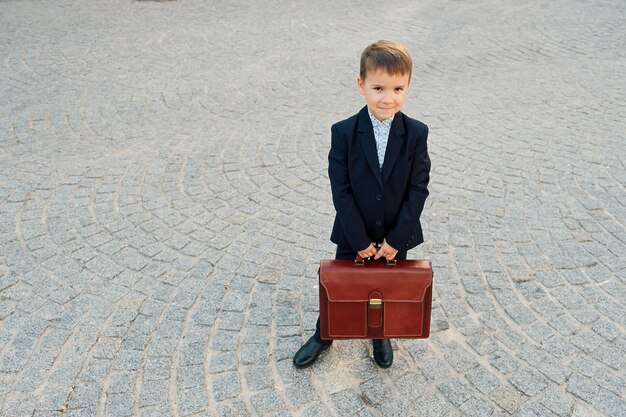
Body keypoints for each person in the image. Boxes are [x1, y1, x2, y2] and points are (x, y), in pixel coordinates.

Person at [293, 40, 431, 369]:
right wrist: (358, 240)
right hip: (353, 231)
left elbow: (418, 188)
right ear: (361, 85)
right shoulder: (344, 132)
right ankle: (325, 333)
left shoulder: (416, 133)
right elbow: (340, 189)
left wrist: (397, 240)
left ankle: (379, 334)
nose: (388, 97)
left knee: (385, 286)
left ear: (408, 85)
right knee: (339, 286)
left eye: (398, 88)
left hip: (397, 234)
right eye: (379, 88)